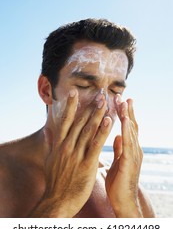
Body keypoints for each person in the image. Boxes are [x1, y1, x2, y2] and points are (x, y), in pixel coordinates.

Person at [0, 18, 155, 218]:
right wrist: (58, 203)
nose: (104, 105)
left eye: (114, 90)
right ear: (46, 90)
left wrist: (128, 209)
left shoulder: (127, 189)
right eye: (84, 85)